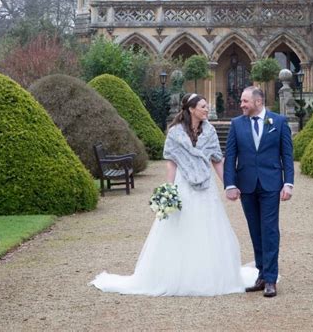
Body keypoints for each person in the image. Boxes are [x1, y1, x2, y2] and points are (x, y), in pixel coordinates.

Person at [90, 93, 252, 296]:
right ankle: (178, 275)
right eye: (202, 106)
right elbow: (172, 162)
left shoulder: (209, 131)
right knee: (181, 227)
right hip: (184, 184)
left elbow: (217, 161)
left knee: (208, 227)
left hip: (206, 187)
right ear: (191, 109)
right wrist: (170, 189)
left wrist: (229, 185)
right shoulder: (175, 133)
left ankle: (207, 274)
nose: (206, 109)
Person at [224, 86, 294, 298]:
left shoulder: (279, 122)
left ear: (258, 102)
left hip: (271, 184)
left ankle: (271, 279)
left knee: (270, 230)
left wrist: (288, 183)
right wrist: (230, 184)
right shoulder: (236, 124)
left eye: (245, 101)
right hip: (246, 185)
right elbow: (230, 155)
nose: (241, 104)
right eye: (242, 101)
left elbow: (287, 156)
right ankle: (261, 275)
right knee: (255, 230)